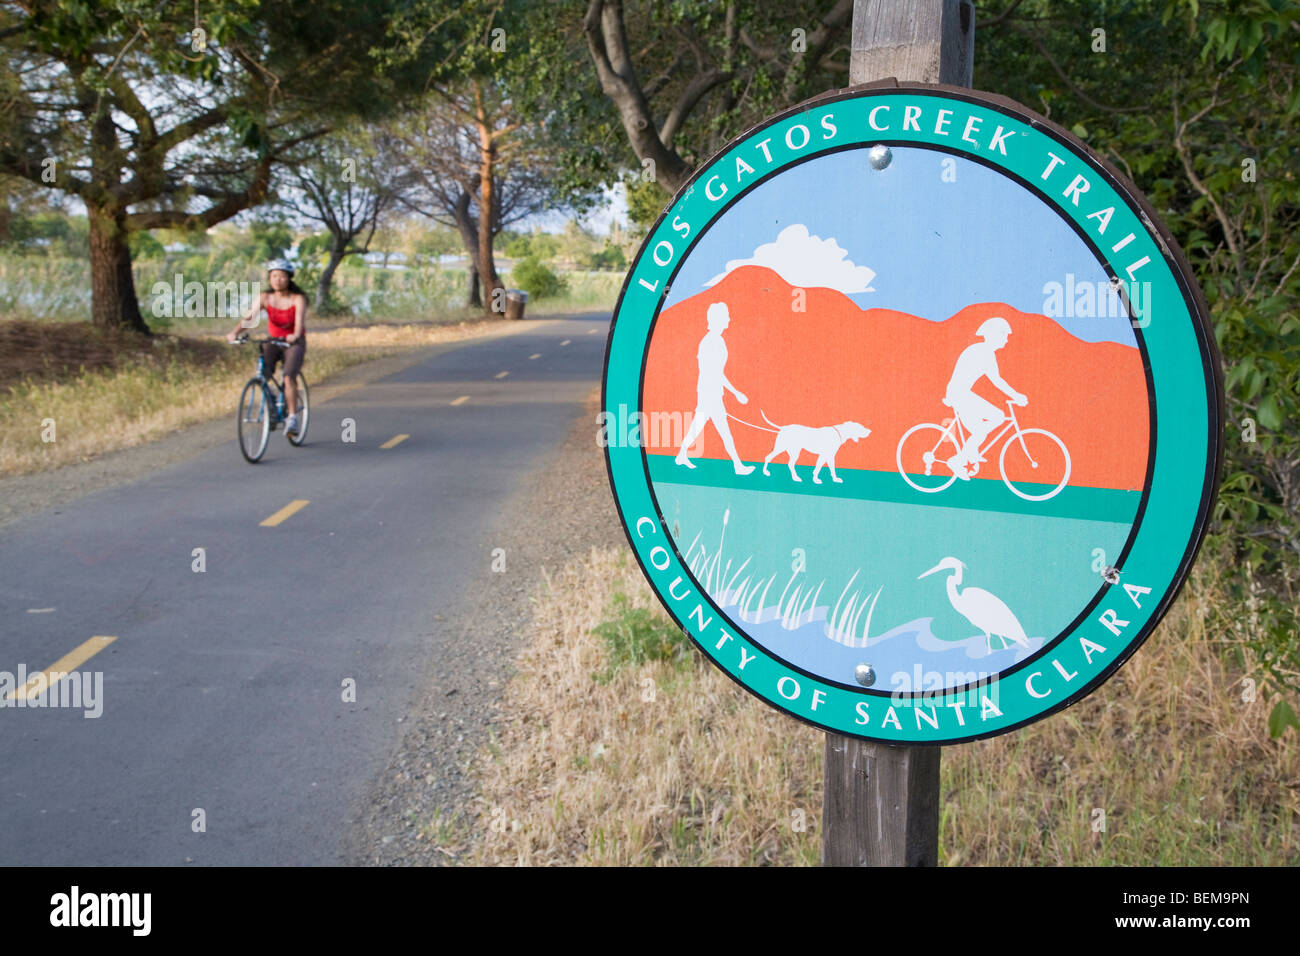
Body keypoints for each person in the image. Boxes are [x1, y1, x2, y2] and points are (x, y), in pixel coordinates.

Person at [228, 259, 308, 435]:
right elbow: (249, 318)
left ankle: (292, 418)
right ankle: (271, 398)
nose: (278, 280)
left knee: (288, 377)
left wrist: (294, 335)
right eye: (274, 276)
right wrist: (235, 332)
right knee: (264, 373)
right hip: (274, 340)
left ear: (289, 278)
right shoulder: (265, 297)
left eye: (282, 276)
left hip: (293, 342)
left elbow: (299, 321)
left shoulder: (297, 298)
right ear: (270, 278)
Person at [675, 301, 754, 475]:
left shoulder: (716, 340)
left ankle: (681, 455)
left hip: (709, 391)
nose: (728, 319)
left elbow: (717, 372)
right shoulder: (712, 342)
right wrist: (736, 393)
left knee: (699, 426)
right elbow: (715, 372)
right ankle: (738, 465)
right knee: (723, 431)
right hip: (709, 393)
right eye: (725, 316)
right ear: (718, 319)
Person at [943, 316, 1027, 480]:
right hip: (959, 394)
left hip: (960, 393)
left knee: (981, 430)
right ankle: (958, 460)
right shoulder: (984, 352)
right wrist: (1016, 396)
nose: (1007, 340)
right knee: (998, 417)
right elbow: (997, 381)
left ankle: (970, 452)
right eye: (1004, 335)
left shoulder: (983, 351)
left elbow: (996, 380)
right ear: (994, 335)